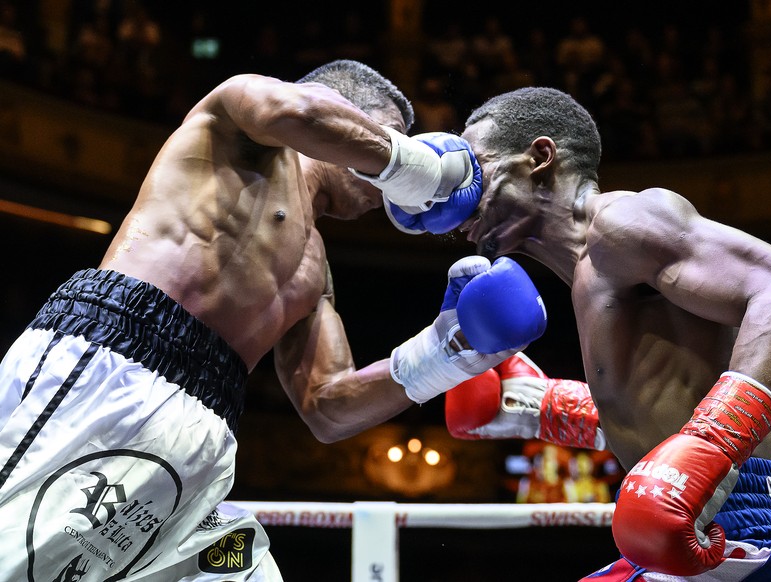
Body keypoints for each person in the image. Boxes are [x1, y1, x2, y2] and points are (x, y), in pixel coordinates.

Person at [0, 60, 547, 581]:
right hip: (117, 365)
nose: (387, 187)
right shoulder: (238, 120)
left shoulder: (314, 275)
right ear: (342, 105)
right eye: (388, 135)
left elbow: (328, 408)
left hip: (206, 432)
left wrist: (449, 351)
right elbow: (300, 115)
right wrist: (417, 165)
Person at [445, 86, 771, 580]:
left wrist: (711, 443)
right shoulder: (589, 273)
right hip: (669, 536)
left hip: (734, 533)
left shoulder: (624, 223)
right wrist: (539, 405)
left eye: (474, 166)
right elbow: (667, 395)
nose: (456, 192)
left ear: (540, 157)